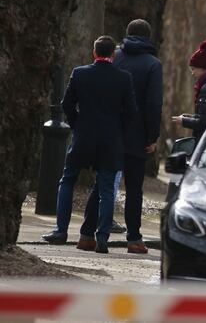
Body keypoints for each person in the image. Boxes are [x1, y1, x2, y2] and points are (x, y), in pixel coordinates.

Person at [42, 36, 136, 254]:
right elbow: (131, 111)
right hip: (110, 140)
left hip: (84, 137)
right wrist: (117, 130)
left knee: (67, 180)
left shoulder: (80, 73)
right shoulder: (124, 78)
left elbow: (67, 104)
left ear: (94, 53)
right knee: (106, 189)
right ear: (113, 54)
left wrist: (78, 125)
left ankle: (61, 230)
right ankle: (101, 237)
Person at [77, 20, 163, 254]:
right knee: (134, 189)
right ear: (148, 37)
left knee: (101, 185)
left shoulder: (115, 56)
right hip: (137, 135)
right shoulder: (153, 65)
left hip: (109, 133)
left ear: (127, 35)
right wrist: (152, 136)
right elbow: (153, 104)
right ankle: (133, 239)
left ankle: (86, 234)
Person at [172, 40, 206, 139]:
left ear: (203, 68)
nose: (192, 73)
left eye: (194, 69)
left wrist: (184, 121)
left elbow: (204, 122)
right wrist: (190, 117)